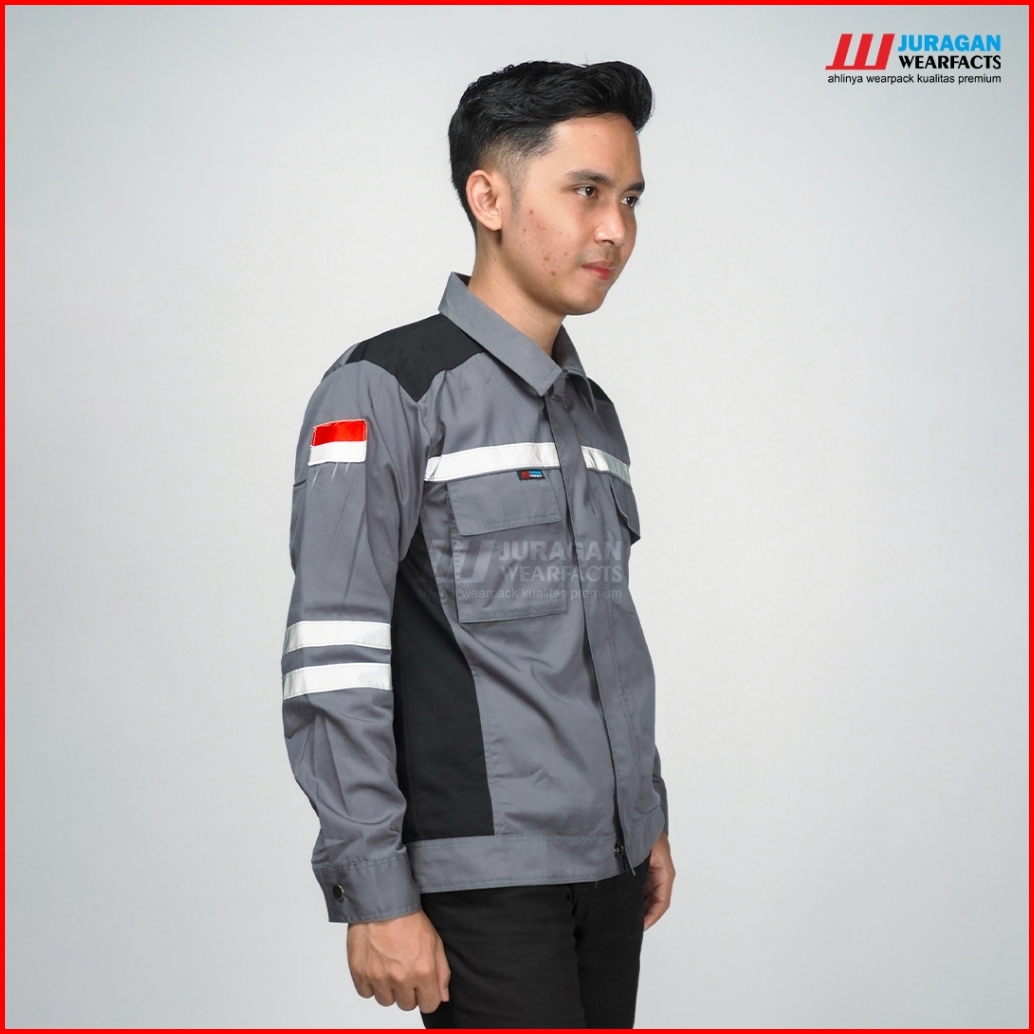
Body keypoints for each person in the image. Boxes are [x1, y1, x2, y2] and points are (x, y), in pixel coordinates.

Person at [282, 59, 674, 1029]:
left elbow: (601, 640)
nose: (615, 230)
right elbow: (334, 654)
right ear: (488, 197)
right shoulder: (387, 386)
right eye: (585, 191)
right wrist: (375, 887)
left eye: (629, 199)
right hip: (482, 879)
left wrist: (645, 816)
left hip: (610, 866)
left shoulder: (591, 413)